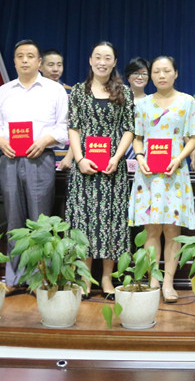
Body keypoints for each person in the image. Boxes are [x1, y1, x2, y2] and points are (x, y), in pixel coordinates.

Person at [0, 39, 69, 292]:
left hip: (41, 158)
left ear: (39, 62)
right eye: (20, 56)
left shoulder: (54, 90)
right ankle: (14, 279)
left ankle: (41, 278)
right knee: (14, 220)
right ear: (14, 61)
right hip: (10, 159)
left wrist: (45, 139)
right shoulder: (3, 91)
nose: (24, 60)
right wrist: (1, 140)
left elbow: (63, 127)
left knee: (40, 220)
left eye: (30, 56)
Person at [67, 41, 135, 299]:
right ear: (90, 60)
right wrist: (80, 159)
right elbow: (73, 127)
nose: (102, 62)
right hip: (84, 168)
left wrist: (117, 158)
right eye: (98, 57)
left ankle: (107, 279)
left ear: (114, 62)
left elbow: (129, 128)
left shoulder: (124, 92)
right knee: (84, 221)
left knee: (111, 221)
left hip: (112, 169)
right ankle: (85, 279)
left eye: (107, 57)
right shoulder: (78, 91)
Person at [130, 55, 195, 303]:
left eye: (166, 71)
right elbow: (137, 137)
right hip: (149, 174)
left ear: (175, 73)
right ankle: (153, 280)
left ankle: (168, 283)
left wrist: (179, 158)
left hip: (175, 173)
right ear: (151, 75)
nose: (161, 75)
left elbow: (194, 136)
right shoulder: (143, 104)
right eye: (156, 71)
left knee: (172, 230)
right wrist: (140, 157)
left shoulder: (187, 102)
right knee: (151, 230)